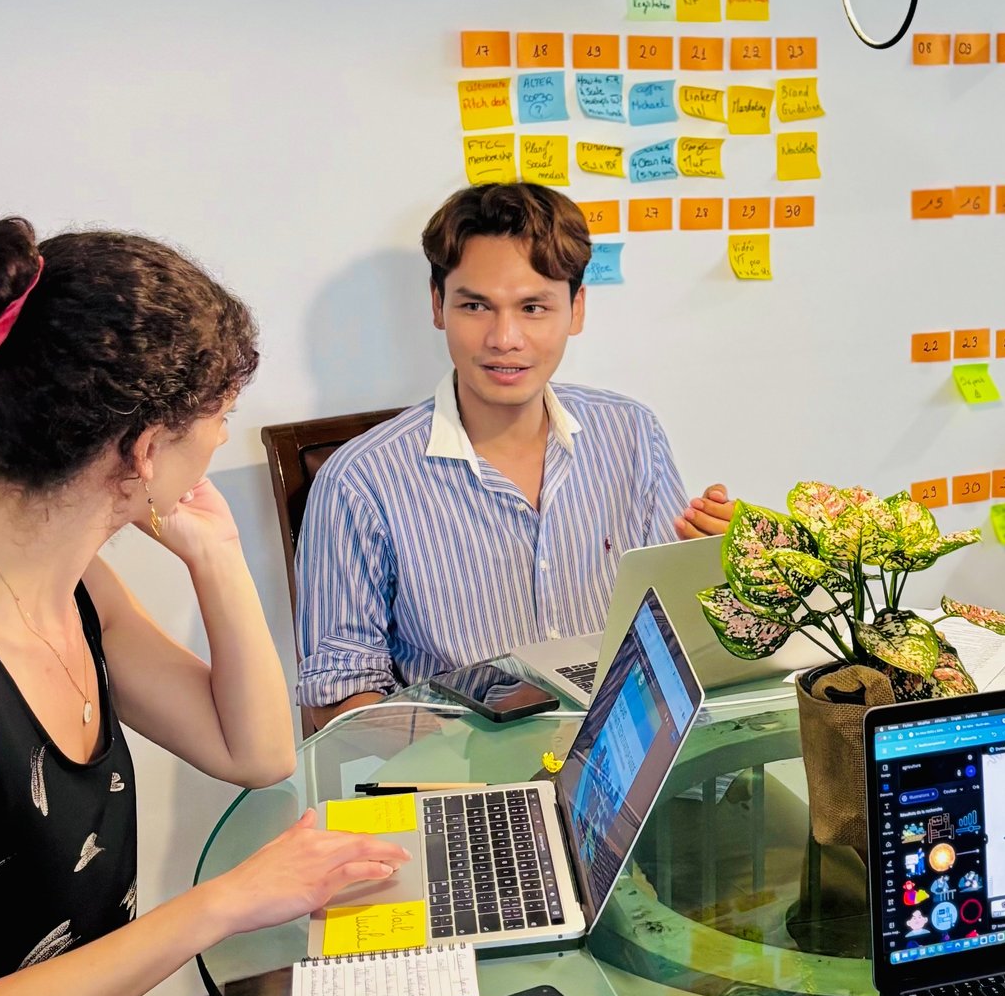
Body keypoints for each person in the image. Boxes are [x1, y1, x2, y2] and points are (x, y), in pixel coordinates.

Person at [0, 217, 497, 996]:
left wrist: (214, 554)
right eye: (218, 417)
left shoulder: (76, 586)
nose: (222, 438)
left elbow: (250, 748)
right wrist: (223, 904)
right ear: (145, 446)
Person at [295, 183, 732, 727]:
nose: (505, 338)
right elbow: (336, 698)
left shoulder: (631, 432)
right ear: (438, 305)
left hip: (626, 756)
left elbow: (673, 630)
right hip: (456, 776)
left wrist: (723, 565)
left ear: (575, 309)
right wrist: (461, 764)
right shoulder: (358, 482)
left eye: (533, 307)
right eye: (476, 305)